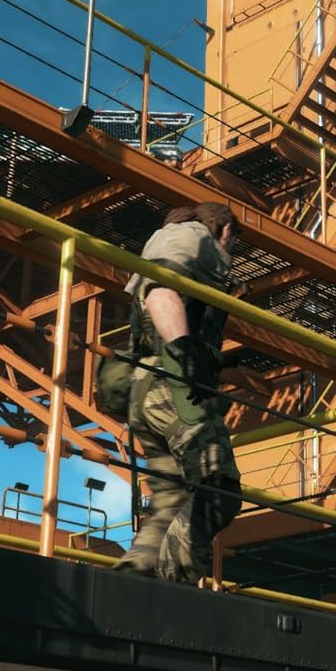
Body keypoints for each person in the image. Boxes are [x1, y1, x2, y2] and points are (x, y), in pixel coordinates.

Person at [113, 202, 243, 583]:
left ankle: (134, 583)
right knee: (219, 489)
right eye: (234, 243)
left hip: (145, 389)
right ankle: (169, 586)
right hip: (172, 385)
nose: (234, 252)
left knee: (174, 502)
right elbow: (160, 291)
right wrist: (185, 351)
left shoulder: (173, 238)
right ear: (225, 230)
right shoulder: (192, 236)